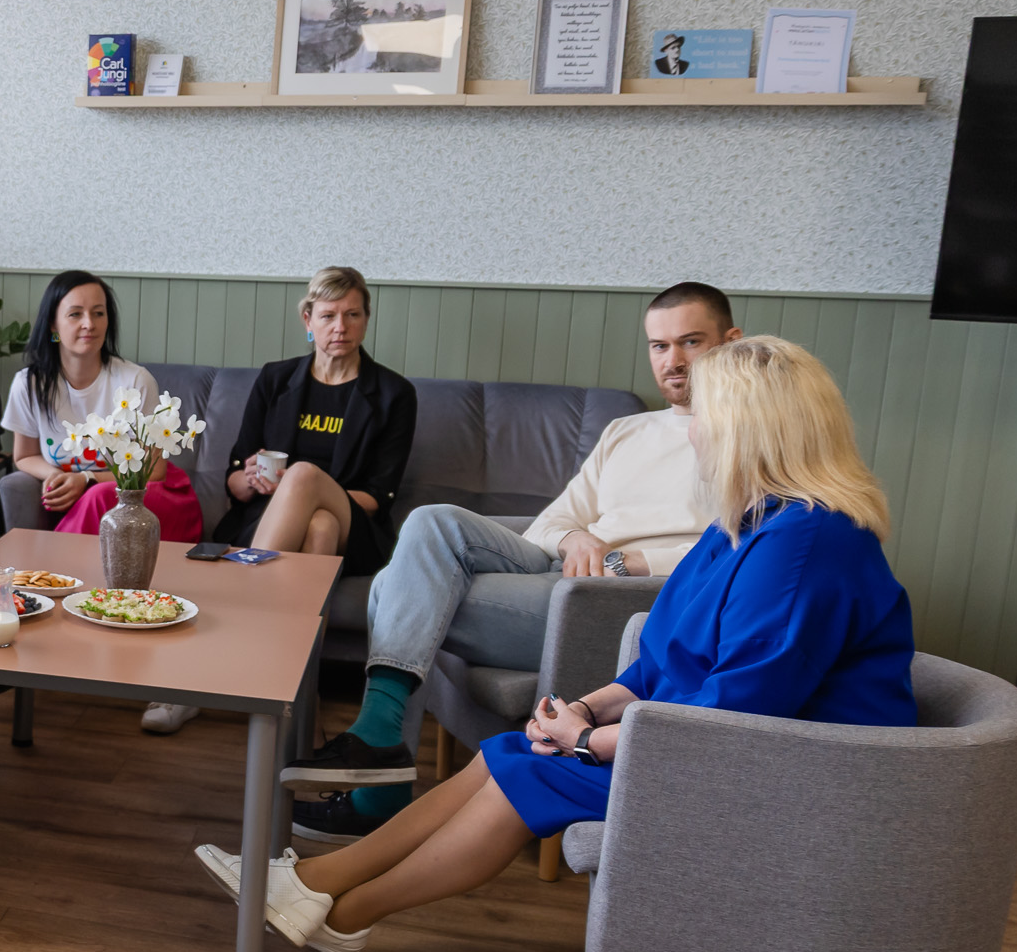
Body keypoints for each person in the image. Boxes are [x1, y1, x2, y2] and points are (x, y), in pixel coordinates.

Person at [195, 335, 912, 952]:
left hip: (782, 779)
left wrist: (587, 742)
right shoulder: (746, 525)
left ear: (747, 430)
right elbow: (661, 663)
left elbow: (730, 719)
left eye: (705, 417)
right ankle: (313, 886)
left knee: (527, 776)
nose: (693, 432)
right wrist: (583, 710)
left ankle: (343, 911)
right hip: (699, 742)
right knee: (510, 750)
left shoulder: (805, 547)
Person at [277, 281, 740, 842]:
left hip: (616, 602)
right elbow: (550, 522)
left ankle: (380, 774)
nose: (673, 361)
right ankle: (380, 761)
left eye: (691, 342)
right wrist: (576, 539)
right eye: (659, 346)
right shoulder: (627, 430)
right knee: (431, 521)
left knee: (399, 588)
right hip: (563, 569)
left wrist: (632, 561)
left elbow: (747, 550)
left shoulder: (749, 433)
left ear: (729, 341)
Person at [153, 267, 416, 740]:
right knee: (318, 527)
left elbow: (377, 497)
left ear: (366, 319)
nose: (341, 327)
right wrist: (252, 479)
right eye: (329, 315)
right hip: (268, 516)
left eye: (353, 315)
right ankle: (295, 701)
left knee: (306, 479)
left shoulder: (394, 393)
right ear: (307, 319)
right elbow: (234, 482)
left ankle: (205, 667)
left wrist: (302, 484)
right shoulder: (276, 379)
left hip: (359, 526)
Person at [3, 271, 209, 737]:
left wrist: (85, 479)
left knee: (101, 496)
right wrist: (56, 476)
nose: (88, 324)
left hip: (154, 500)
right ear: (53, 324)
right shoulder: (30, 383)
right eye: (75, 313)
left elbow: (154, 470)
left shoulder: (133, 380)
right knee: (97, 498)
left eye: (98, 313)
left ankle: (40, 593)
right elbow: (23, 456)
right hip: (90, 501)